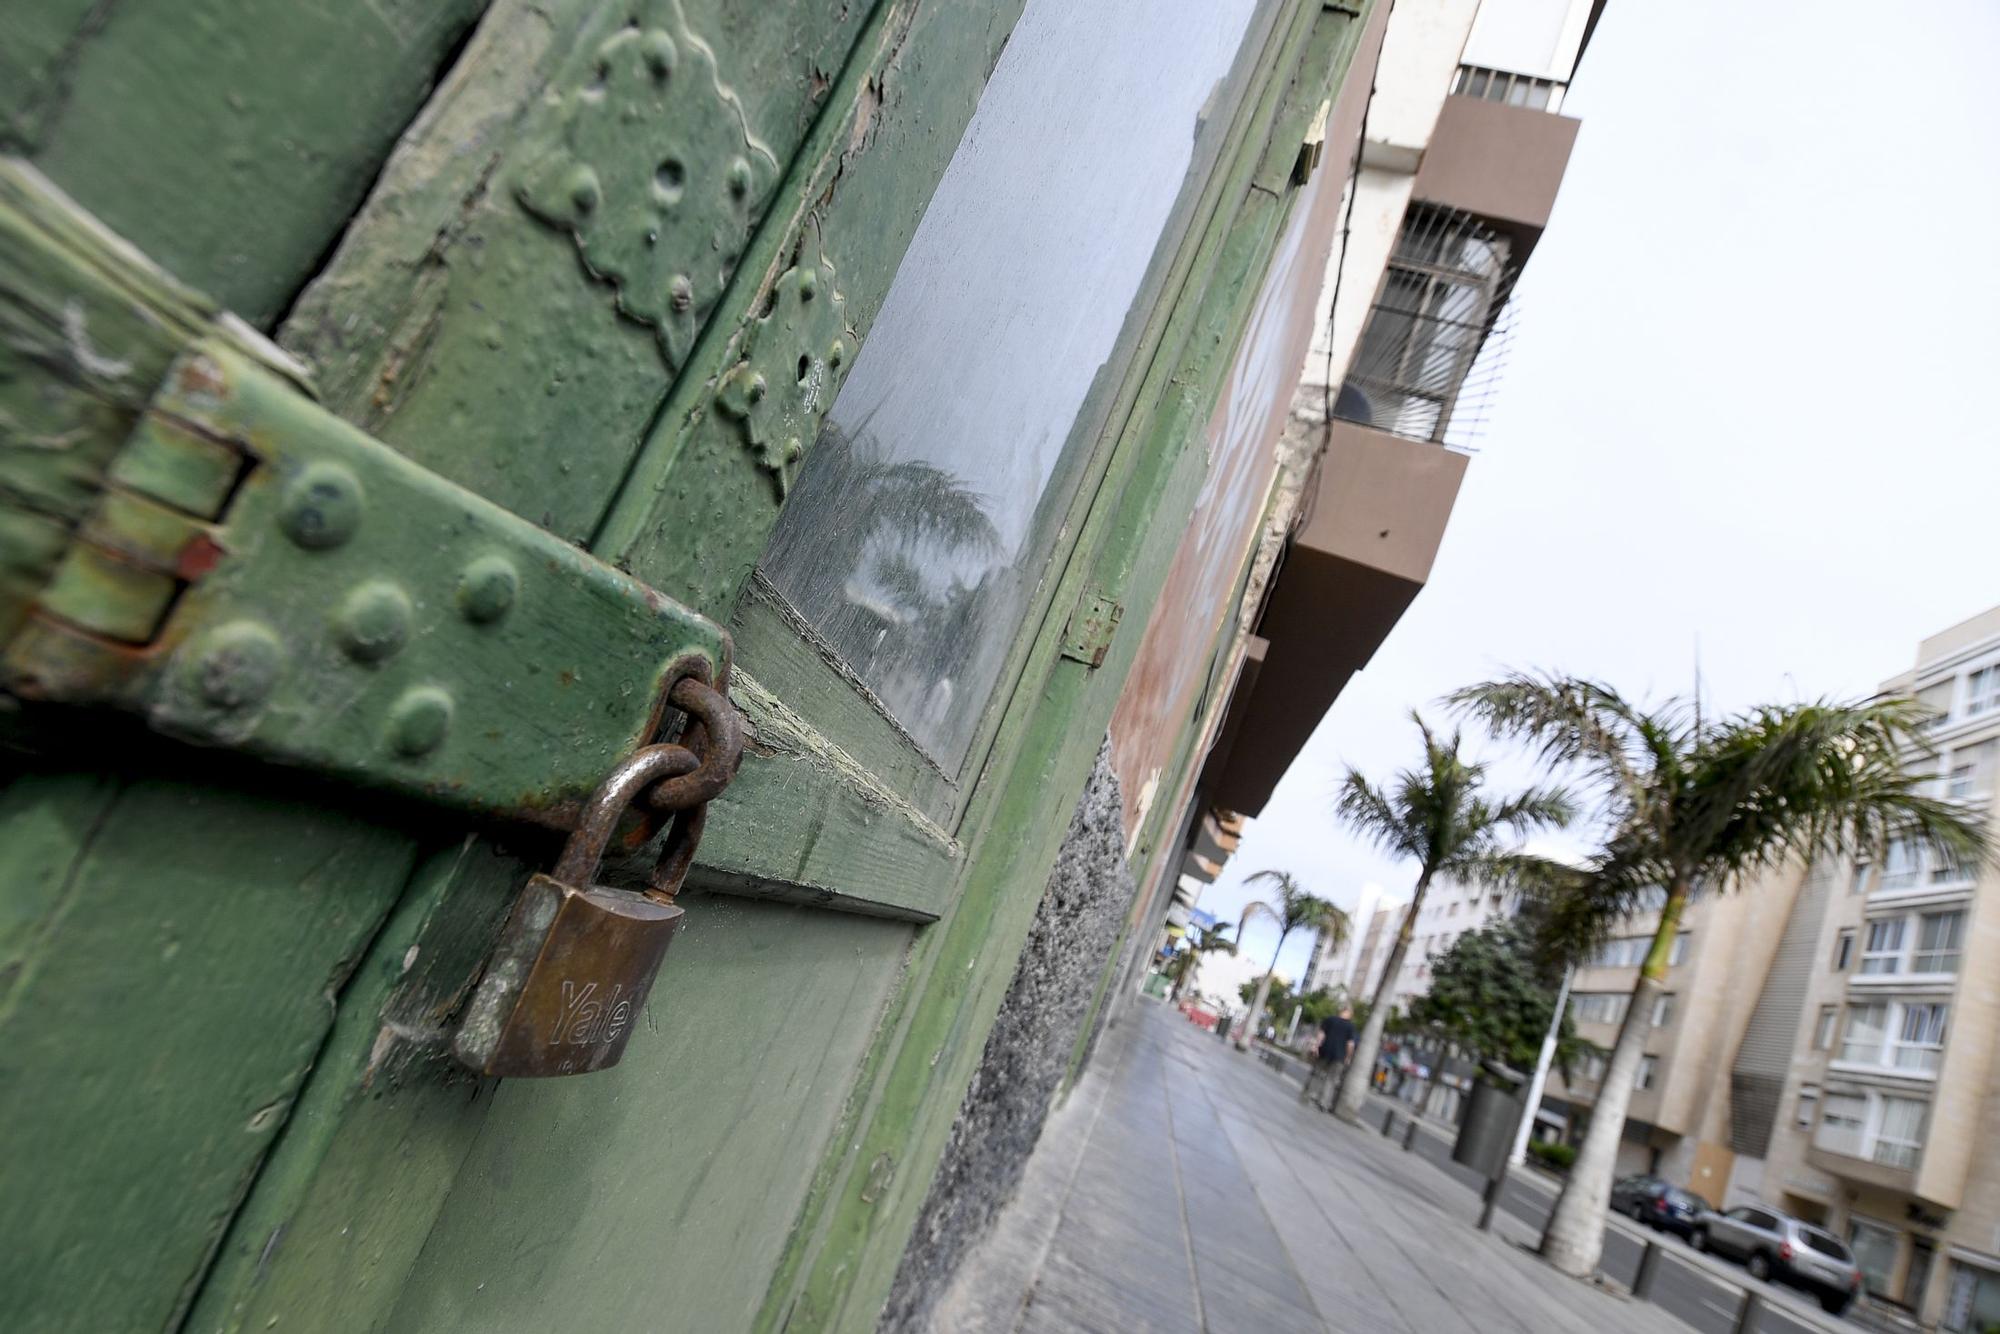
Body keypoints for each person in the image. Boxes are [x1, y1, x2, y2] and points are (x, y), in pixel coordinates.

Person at [1301, 1006, 1355, 1111]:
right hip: (1339, 1057)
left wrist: (1316, 1046)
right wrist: (1348, 1057)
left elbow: (1321, 1035)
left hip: (1324, 1051)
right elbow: (1350, 1044)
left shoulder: (1330, 1019)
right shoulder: (1350, 1026)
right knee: (1331, 1080)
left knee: (1316, 1074)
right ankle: (1323, 1103)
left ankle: (1307, 1095)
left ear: (1340, 1011)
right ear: (1349, 1014)